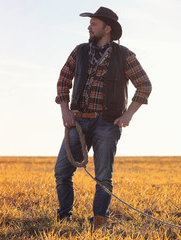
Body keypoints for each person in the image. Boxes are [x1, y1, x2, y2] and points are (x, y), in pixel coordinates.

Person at [54, 6, 152, 229]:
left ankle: (99, 220)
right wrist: (65, 111)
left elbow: (144, 85)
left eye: (94, 24)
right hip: (78, 120)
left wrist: (128, 114)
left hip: (107, 124)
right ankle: (64, 215)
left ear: (107, 29)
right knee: (61, 172)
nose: (89, 27)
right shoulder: (79, 51)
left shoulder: (124, 55)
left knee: (104, 176)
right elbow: (63, 81)